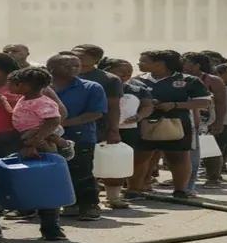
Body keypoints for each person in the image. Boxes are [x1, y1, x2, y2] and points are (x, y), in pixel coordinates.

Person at [0, 52, 67, 239]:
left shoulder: (32, 85)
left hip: (23, 140)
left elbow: (58, 114)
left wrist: (37, 138)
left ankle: (50, 227)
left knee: (42, 182)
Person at [133, 50, 212, 199]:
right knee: (140, 157)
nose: (139, 64)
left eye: (144, 61)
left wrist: (175, 105)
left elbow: (204, 102)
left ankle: (180, 190)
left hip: (177, 124)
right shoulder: (137, 80)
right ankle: (134, 190)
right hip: (144, 124)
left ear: (159, 64)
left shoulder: (188, 80)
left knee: (178, 157)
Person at [47, 53, 107, 220]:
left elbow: (95, 113)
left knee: (82, 172)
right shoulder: (42, 87)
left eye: (76, 65)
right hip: (45, 137)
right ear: (51, 68)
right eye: (67, 65)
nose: (73, 68)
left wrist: (60, 125)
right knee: (50, 172)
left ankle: (89, 205)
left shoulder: (91, 87)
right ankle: (66, 204)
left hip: (80, 136)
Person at [71, 45, 128, 207]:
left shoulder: (108, 79)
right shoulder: (64, 76)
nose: (75, 58)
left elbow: (113, 107)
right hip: (68, 127)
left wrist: (113, 130)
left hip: (96, 126)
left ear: (95, 59)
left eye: (80, 56)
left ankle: (98, 200)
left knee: (92, 164)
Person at [99, 58, 156, 202]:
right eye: (122, 71)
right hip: (102, 129)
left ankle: (131, 190)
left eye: (129, 71)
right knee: (103, 160)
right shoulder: (97, 86)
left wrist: (139, 116)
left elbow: (148, 105)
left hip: (130, 130)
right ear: (107, 70)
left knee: (132, 160)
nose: (126, 74)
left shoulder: (138, 89)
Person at [182, 51, 227, 191]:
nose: (183, 65)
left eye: (186, 62)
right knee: (184, 150)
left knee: (208, 147)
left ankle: (213, 177)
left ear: (197, 65)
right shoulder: (178, 78)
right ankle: (183, 177)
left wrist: (219, 122)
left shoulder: (213, 80)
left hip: (205, 118)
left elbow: (221, 103)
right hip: (184, 117)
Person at [7, 67, 73, 157]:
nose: (9, 87)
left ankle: (57, 155)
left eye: (15, 84)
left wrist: (38, 137)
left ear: (25, 86)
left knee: (44, 145)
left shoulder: (42, 102)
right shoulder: (25, 99)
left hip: (40, 131)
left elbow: (54, 120)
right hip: (29, 131)